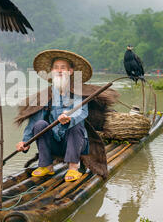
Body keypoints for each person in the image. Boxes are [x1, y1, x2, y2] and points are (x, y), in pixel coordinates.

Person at [14, 49, 120, 182]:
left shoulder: (78, 91)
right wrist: (25, 141)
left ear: (70, 71)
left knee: (75, 126)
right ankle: (46, 165)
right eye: (56, 68)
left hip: (76, 143)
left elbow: (82, 112)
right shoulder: (45, 94)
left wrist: (70, 118)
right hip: (55, 143)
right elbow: (34, 119)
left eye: (63, 68)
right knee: (40, 124)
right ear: (51, 72)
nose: (59, 71)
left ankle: (73, 167)